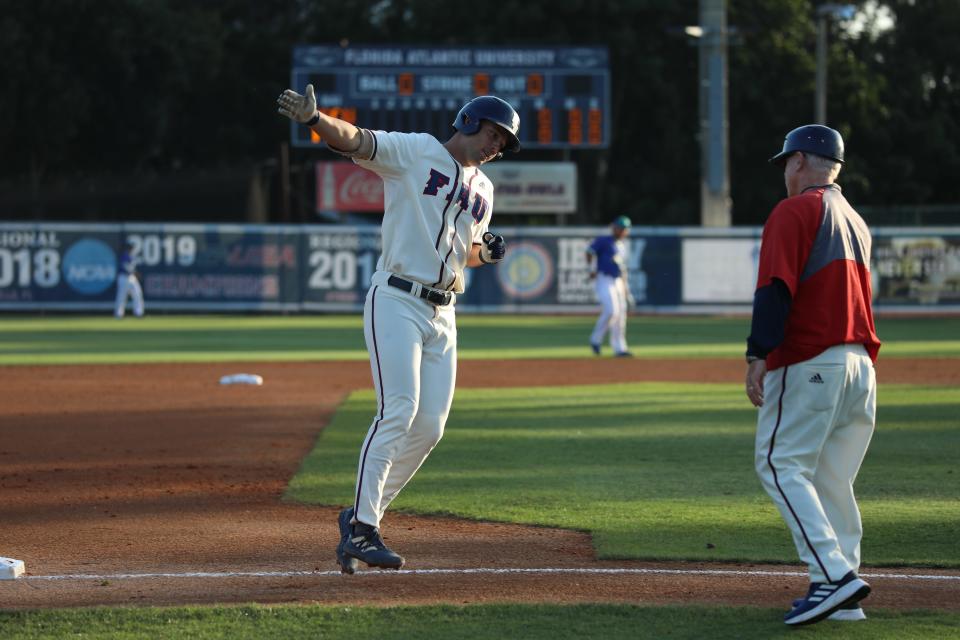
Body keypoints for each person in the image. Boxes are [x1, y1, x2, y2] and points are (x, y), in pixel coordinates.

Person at [277, 85, 519, 573]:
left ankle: (359, 517)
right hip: (396, 299)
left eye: (504, 143)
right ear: (469, 122)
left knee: (430, 426)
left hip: (444, 313)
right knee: (399, 409)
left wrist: (484, 254)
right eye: (494, 134)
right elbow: (356, 140)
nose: (497, 146)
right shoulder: (416, 151)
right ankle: (365, 530)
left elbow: (465, 251)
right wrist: (316, 119)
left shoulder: (485, 190)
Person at [745, 125, 881, 626]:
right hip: (859, 366)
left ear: (801, 161)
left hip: (811, 358)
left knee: (779, 463)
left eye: (785, 161)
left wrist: (758, 353)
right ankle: (841, 596)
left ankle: (834, 577)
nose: (784, 170)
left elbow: (775, 289)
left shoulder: (797, 209)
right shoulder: (855, 218)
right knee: (831, 480)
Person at [586, 215, 634, 357]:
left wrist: (626, 290)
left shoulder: (622, 246)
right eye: (619, 228)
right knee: (611, 311)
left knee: (621, 315)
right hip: (604, 279)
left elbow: (622, 269)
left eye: (624, 229)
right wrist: (591, 269)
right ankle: (595, 339)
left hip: (618, 281)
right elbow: (589, 252)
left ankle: (620, 348)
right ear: (614, 227)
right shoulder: (604, 240)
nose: (621, 231)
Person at [114, 241, 144, 318]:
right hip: (123, 277)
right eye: (130, 247)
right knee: (122, 296)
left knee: (137, 294)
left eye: (132, 247)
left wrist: (134, 273)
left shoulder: (132, 256)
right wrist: (135, 272)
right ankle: (119, 314)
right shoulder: (124, 255)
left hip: (131, 278)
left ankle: (138, 312)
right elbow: (126, 267)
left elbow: (132, 268)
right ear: (127, 248)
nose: (131, 249)